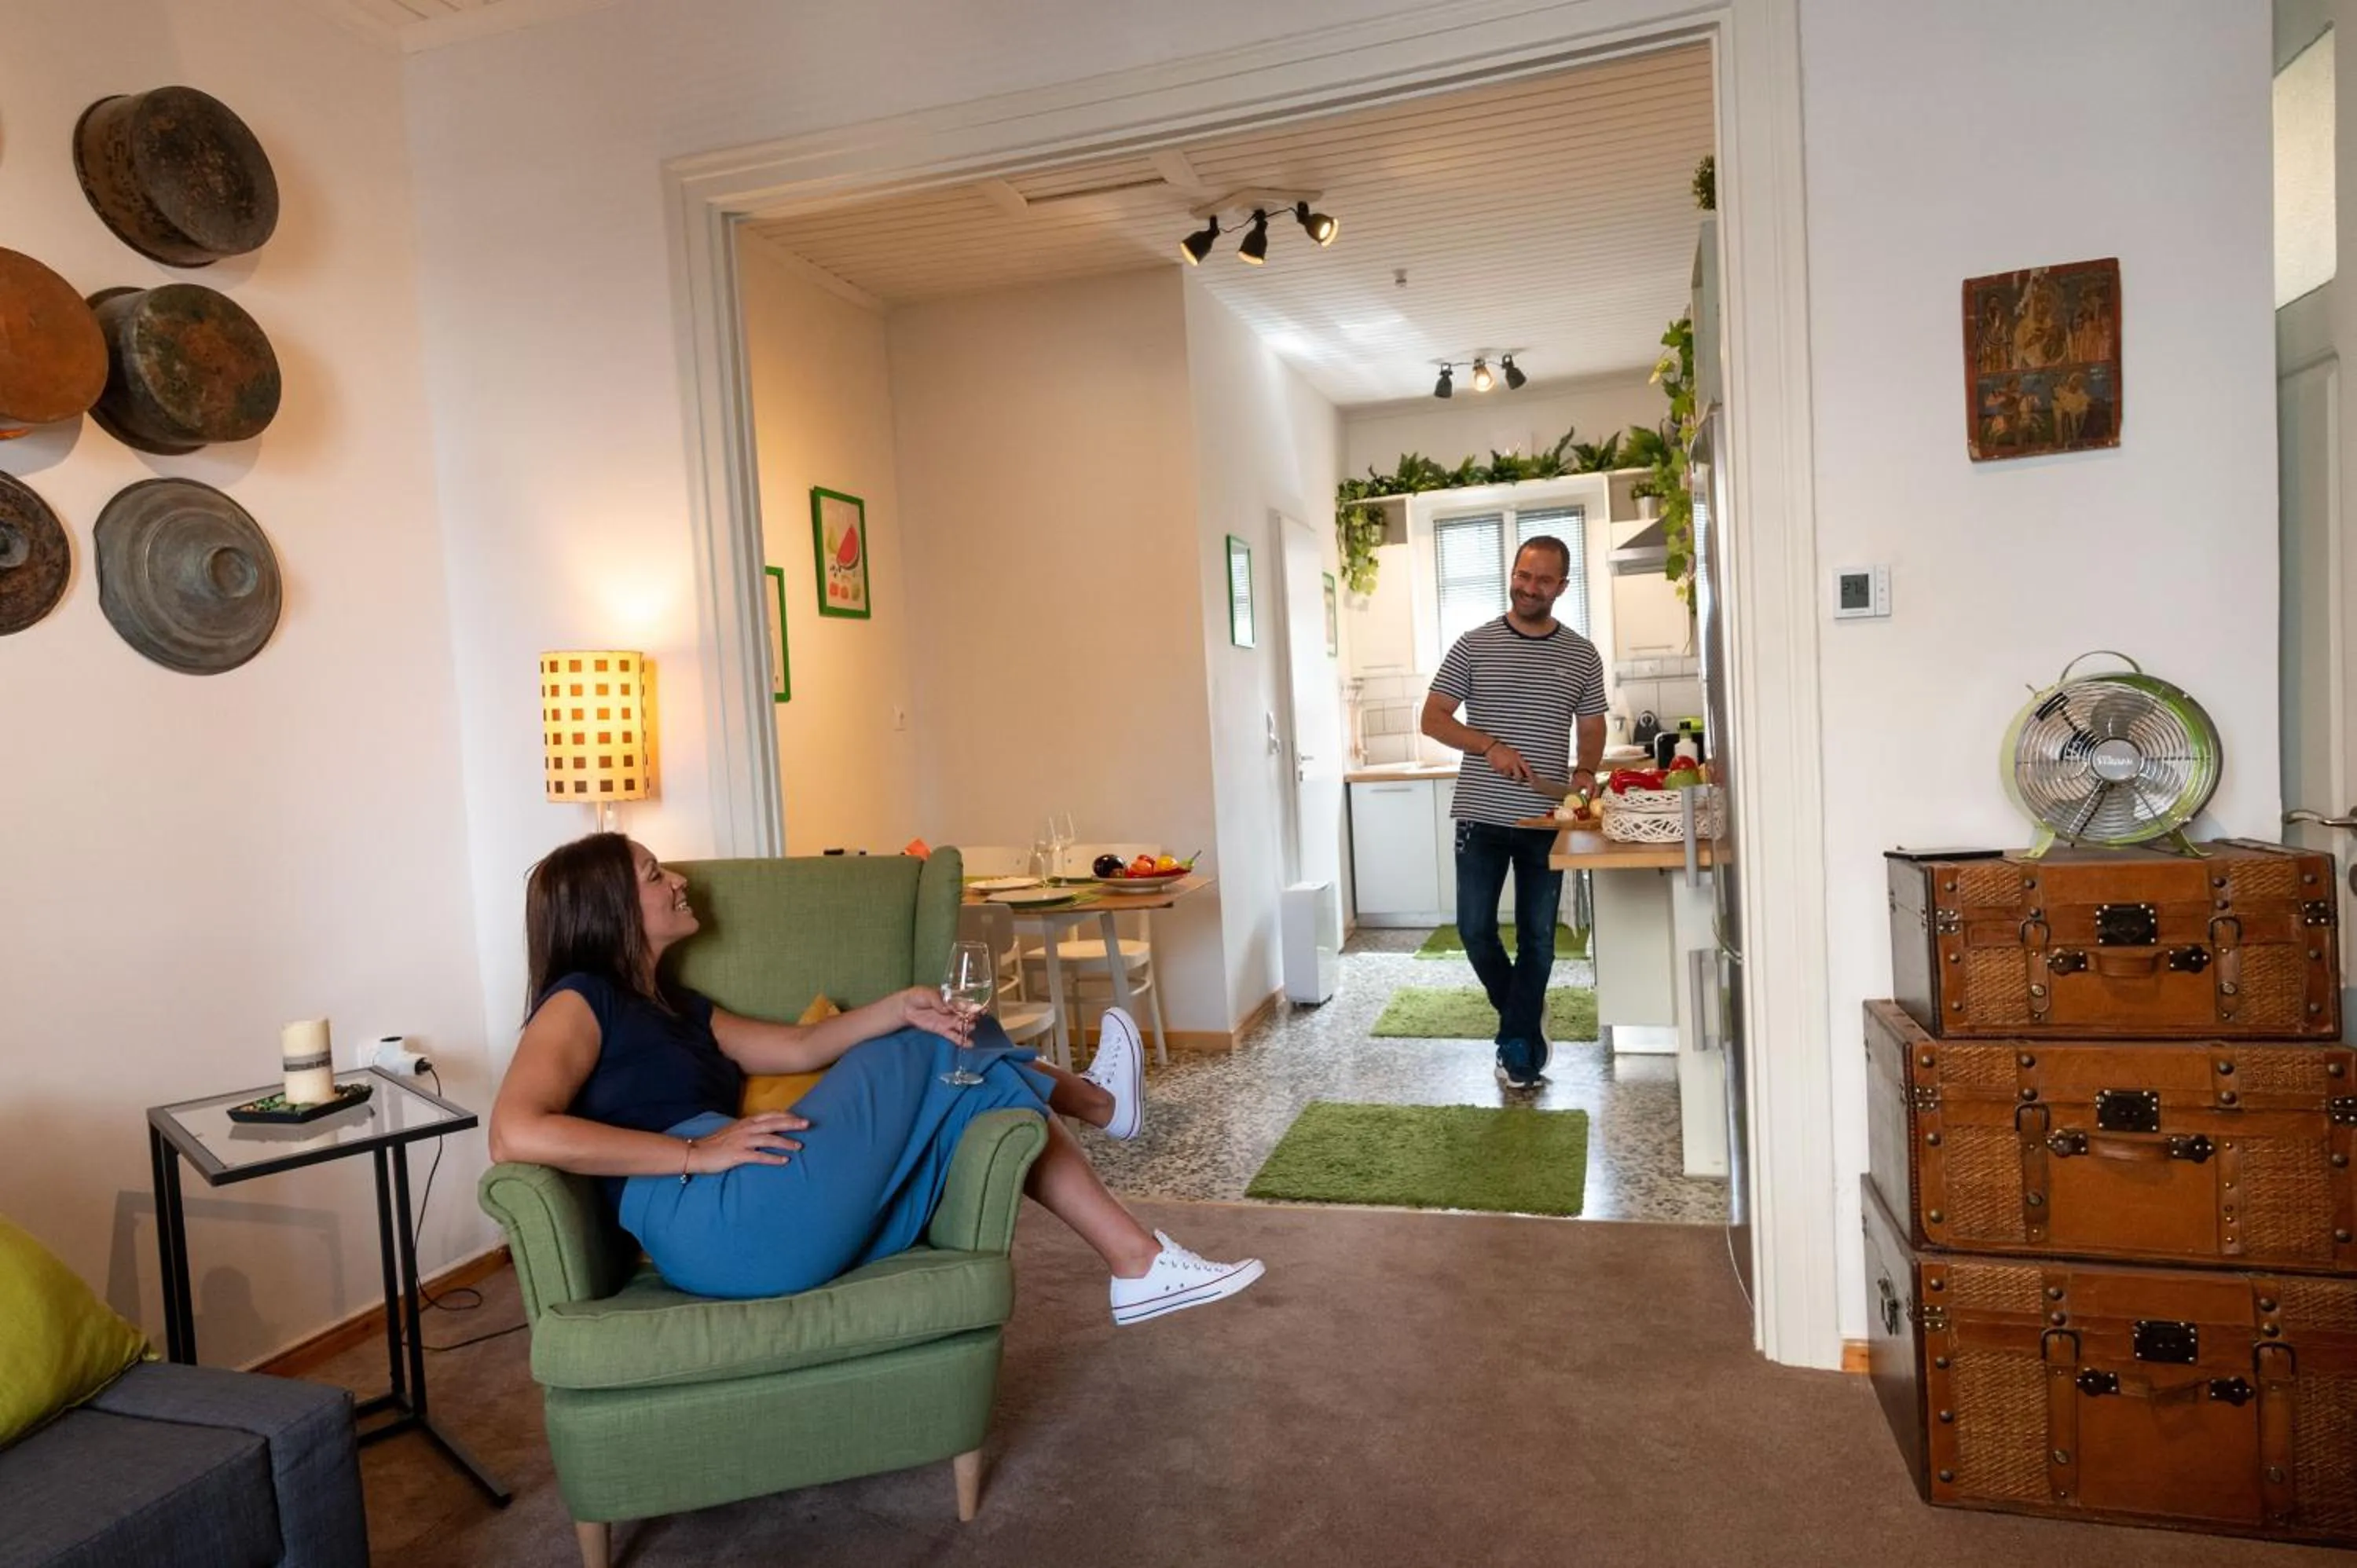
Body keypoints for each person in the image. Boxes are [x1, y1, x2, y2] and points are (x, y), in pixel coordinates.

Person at [487, 833, 1263, 1324]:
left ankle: (1138, 1262)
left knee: (964, 1062)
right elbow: (514, 1130)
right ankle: (1098, 1103)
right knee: (942, 1047)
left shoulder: (675, 1007)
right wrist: (695, 1154)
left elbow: (801, 1047)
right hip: (718, 1216)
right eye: (656, 876)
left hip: (759, 1220)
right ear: (613, 908)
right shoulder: (578, 1001)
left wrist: (900, 1003)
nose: (678, 881)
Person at [1419, 537, 1607, 1090]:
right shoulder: (1473, 646)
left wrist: (1584, 774)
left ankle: (1519, 1050)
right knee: (1475, 931)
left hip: (1546, 821)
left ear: (1562, 587)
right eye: (1523, 575)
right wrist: (1488, 745)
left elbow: (1591, 727)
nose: (1529, 587)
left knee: (1539, 940)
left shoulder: (1581, 654)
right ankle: (1522, 1017)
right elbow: (1433, 718)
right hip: (1481, 813)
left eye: (1543, 580)